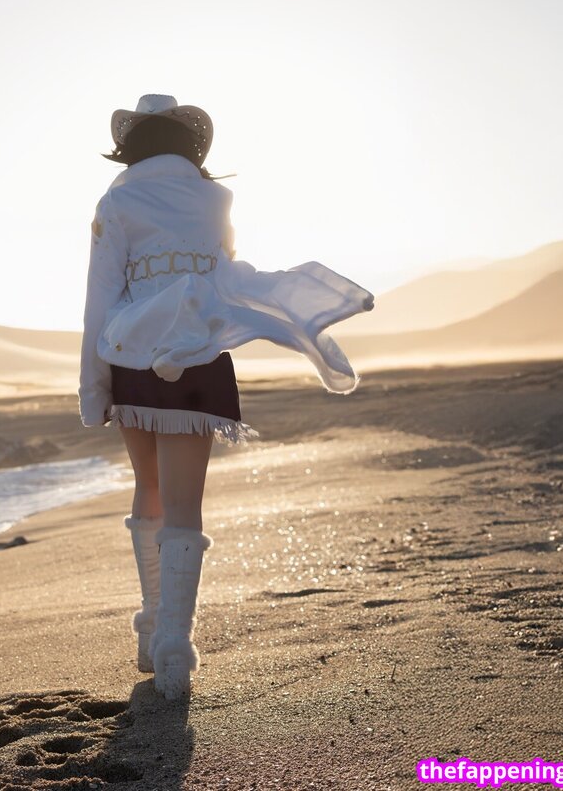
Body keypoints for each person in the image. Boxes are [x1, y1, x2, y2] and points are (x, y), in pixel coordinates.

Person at [79, 94, 375, 701]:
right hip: (200, 358)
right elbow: (223, 276)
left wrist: (94, 388)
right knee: (185, 503)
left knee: (148, 489)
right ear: (189, 143)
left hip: (133, 358)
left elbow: (99, 297)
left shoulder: (116, 202)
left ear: (130, 146)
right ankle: (173, 647)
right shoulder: (217, 200)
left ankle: (153, 626)